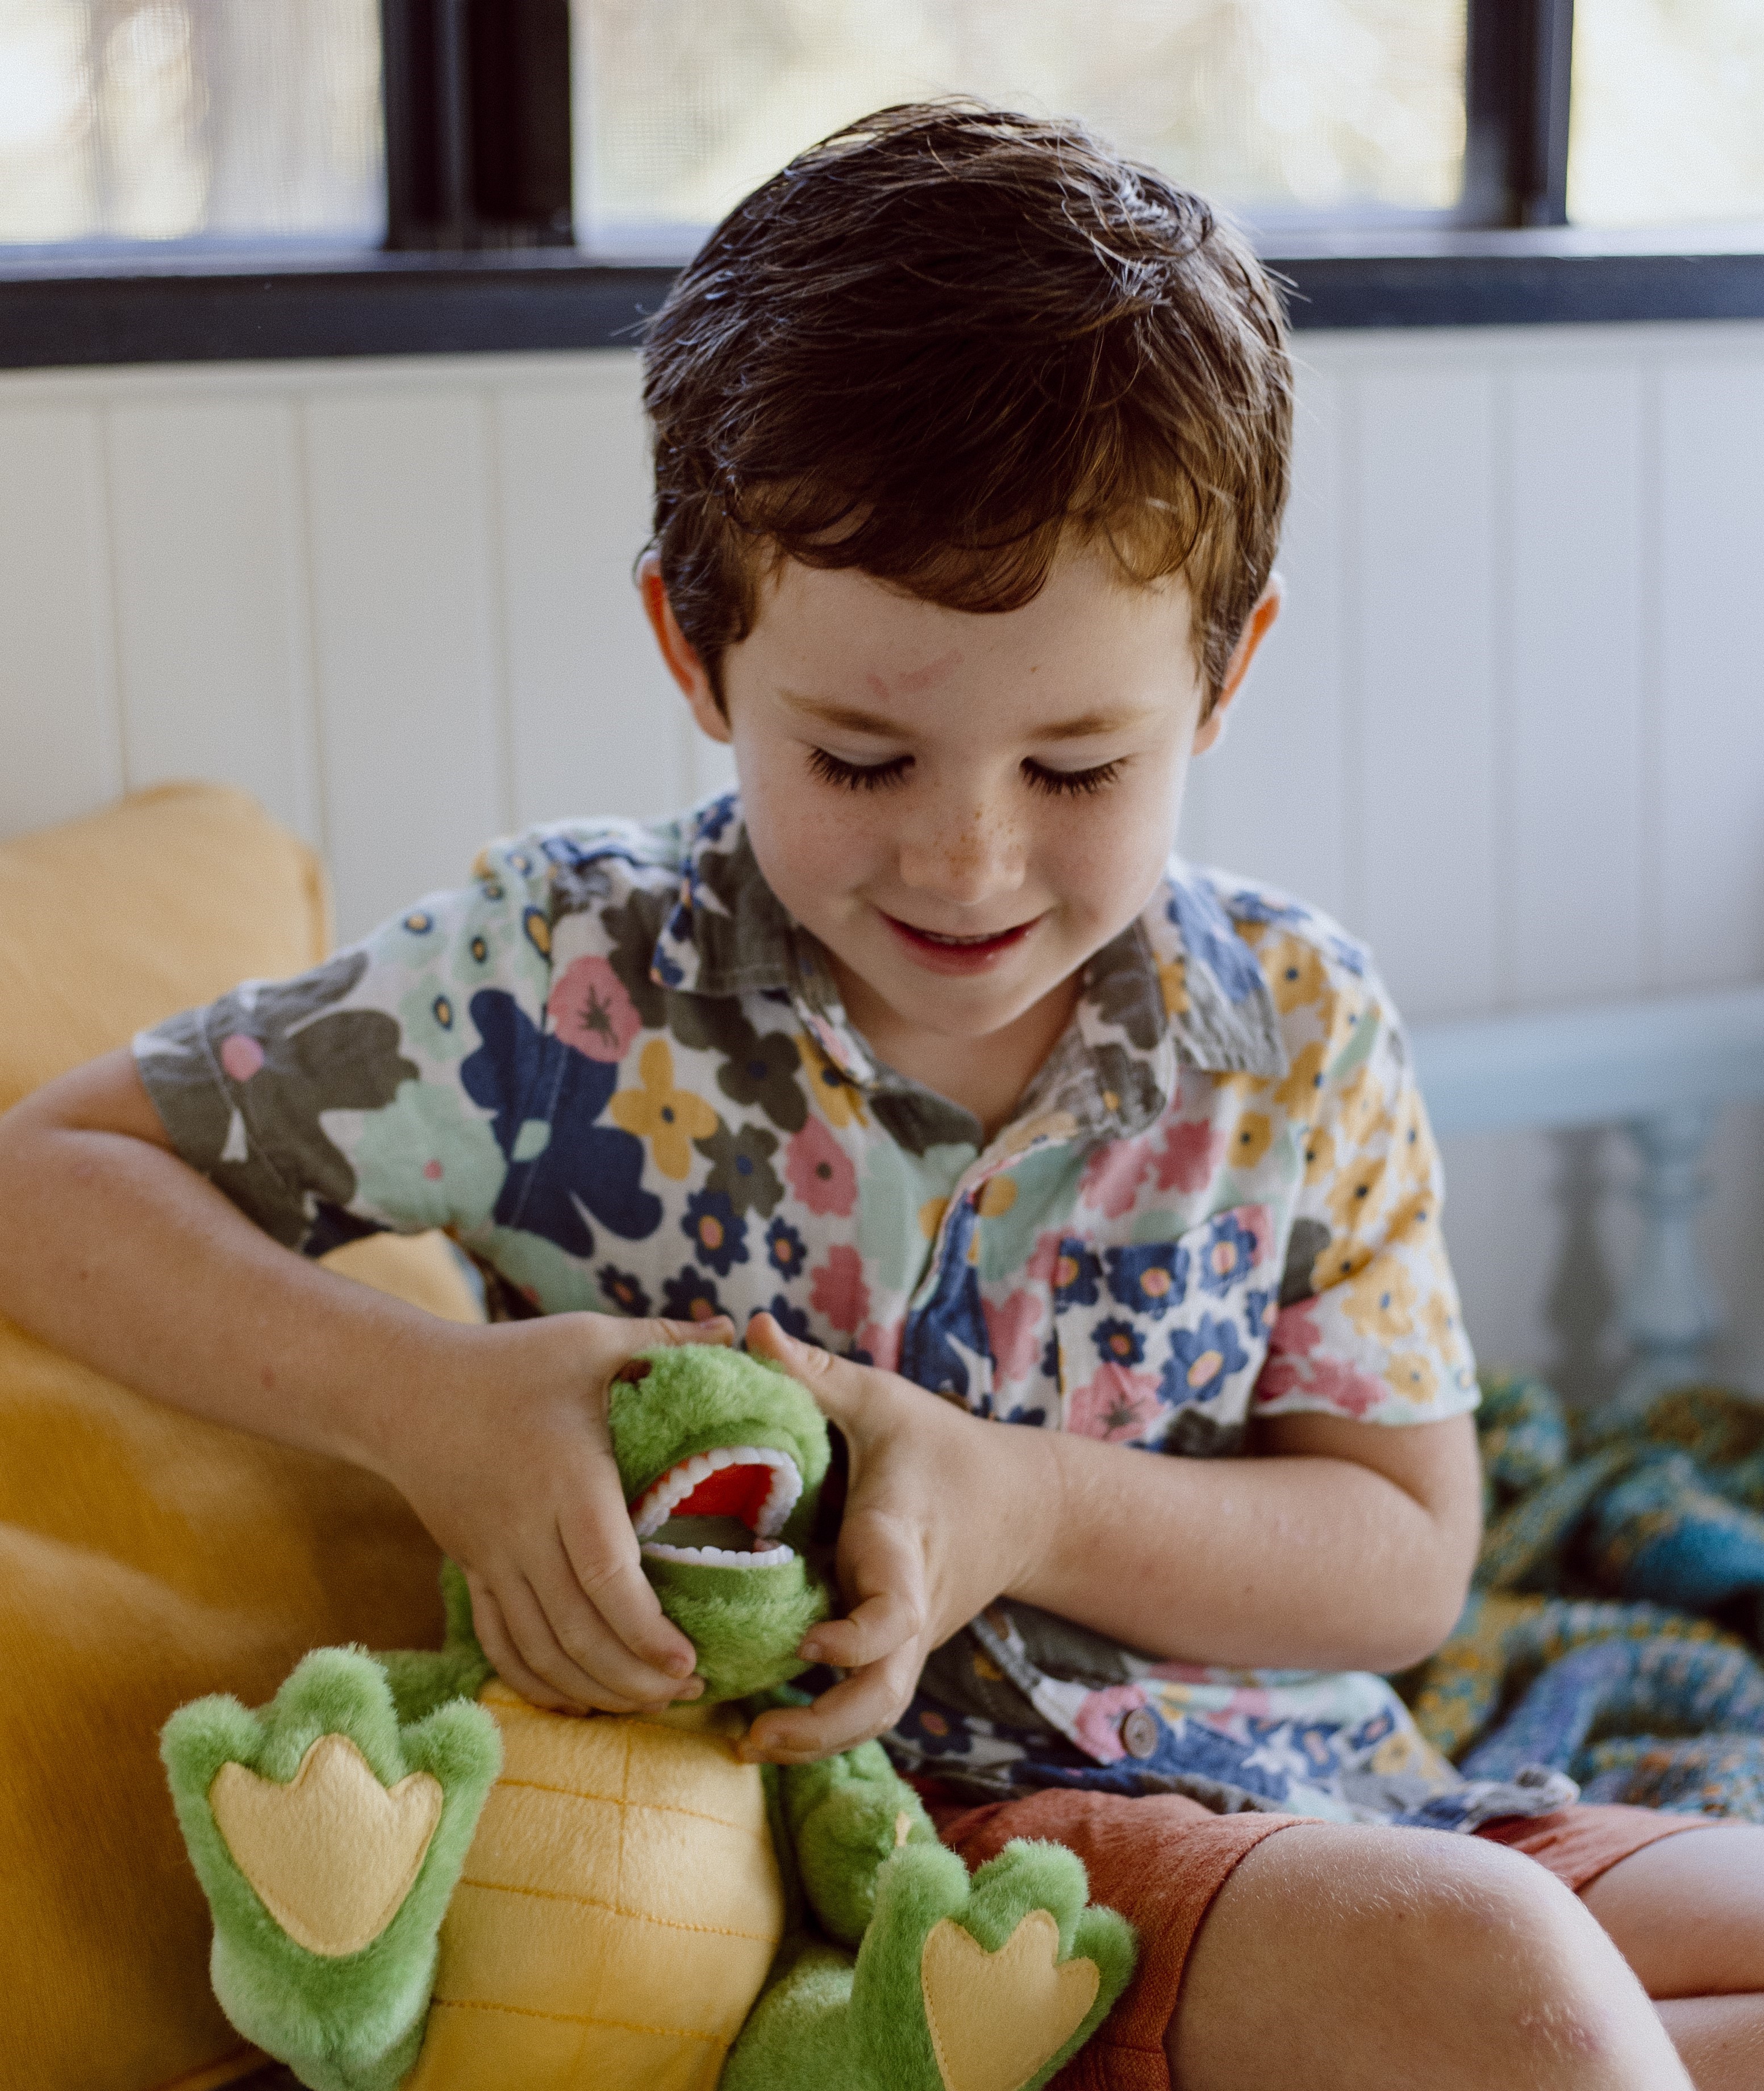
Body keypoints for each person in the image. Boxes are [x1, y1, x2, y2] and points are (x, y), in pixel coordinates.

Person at [1, 103, 1758, 2091]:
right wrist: (429, 1410)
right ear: (695, 645)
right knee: (1494, 1976)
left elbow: (1404, 1552)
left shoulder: (1290, 1023)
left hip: (1351, 1787)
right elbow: (47, 1178)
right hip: (933, 1885)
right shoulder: (558, 982)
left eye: (1079, 770)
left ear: (1223, 676)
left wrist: (1024, 1498)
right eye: (858, 759)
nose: (967, 860)